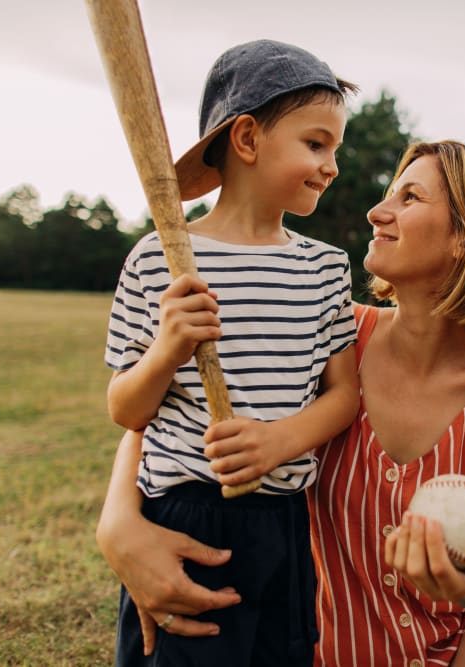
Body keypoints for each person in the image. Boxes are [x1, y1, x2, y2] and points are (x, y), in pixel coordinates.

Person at [98, 141, 465, 666]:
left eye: (409, 199)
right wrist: (118, 525)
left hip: (443, 649)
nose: (375, 211)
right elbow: (177, 414)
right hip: (291, 641)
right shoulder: (328, 331)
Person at [102, 39, 361, 666]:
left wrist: (280, 441)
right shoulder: (157, 259)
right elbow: (126, 409)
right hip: (185, 519)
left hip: (283, 521)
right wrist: (167, 348)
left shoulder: (324, 268)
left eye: (335, 149)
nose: (331, 166)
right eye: (316, 143)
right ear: (246, 139)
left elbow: (346, 394)